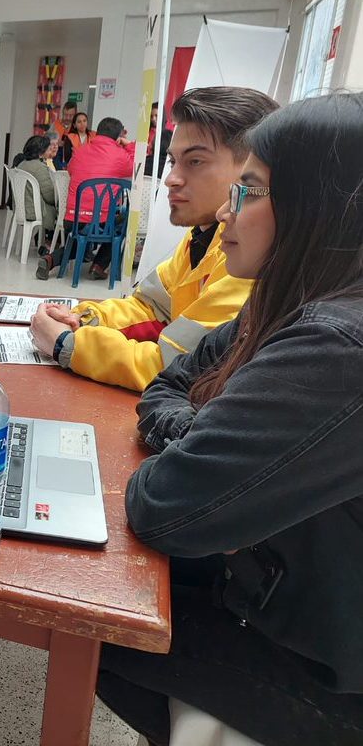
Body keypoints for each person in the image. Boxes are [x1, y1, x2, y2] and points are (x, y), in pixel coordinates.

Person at [96, 91, 363, 746]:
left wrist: (198, 449)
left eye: (248, 191)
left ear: (315, 207)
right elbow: (171, 380)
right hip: (281, 577)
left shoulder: (336, 346)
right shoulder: (294, 296)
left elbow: (162, 502)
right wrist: (202, 436)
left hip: (328, 666)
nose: (223, 211)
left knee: (92, 620)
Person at [29, 87, 277, 391]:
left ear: (251, 172)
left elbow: (178, 368)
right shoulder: (199, 240)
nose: (171, 179)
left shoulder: (248, 261)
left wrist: (68, 344)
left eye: (195, 161)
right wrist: (83, 318)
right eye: (173, 162)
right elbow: (151, 307)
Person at [35, 116, 135, 280]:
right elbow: (133, 166)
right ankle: (99, 265)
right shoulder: (119, 155)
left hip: (72, 218)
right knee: (125, 220)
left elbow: (71, 170)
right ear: (118, 137)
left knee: (79, 240)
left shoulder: (81, 150)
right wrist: (129, 144)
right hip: (101, 221)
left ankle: (50, 259)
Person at [10, 135, 57, 230]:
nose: (50, 152)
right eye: (48, 149)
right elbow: (50, 197)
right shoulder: (39, 168)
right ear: (40, 152)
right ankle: (52, 241)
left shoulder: (21, 164)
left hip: (22, 208)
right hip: (34, 211)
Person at [145, 101, 172, 177]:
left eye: (156, 116)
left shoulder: (171, 129)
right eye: (151, 116)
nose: (153, 119)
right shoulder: (147, 131)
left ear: (163, 115)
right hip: (150, 162)